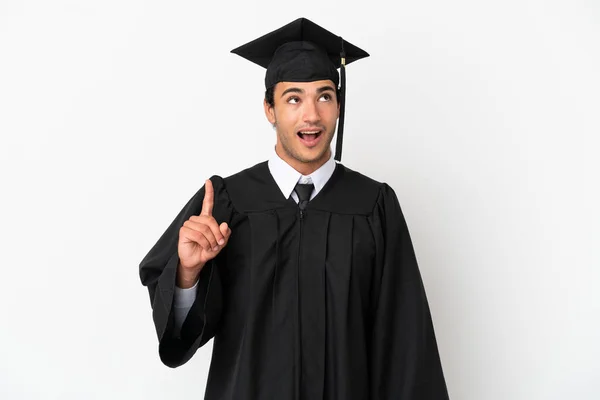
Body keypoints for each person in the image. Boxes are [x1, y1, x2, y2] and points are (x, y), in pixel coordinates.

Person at [139, 17, 449, 400]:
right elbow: (179, 335)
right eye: (293, 99)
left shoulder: (373, 206)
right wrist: (187, 274)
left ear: (338, 106)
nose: (311, 115)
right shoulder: (228, 202)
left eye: (324, 96)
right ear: (270, 109)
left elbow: (406, 343)